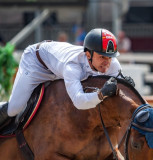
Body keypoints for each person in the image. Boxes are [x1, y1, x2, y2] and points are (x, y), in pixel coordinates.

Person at [0, 28, 134, 126]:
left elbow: (116, 85)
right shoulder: (72, 66)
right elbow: (79, 102)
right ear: (88, 55)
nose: (107, 62)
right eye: (102, 57)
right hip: (35, 63)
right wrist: (101, 94)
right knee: (14, 109)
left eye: (110, 57)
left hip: (56, 63)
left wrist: (126, 85)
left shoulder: (113, 64)